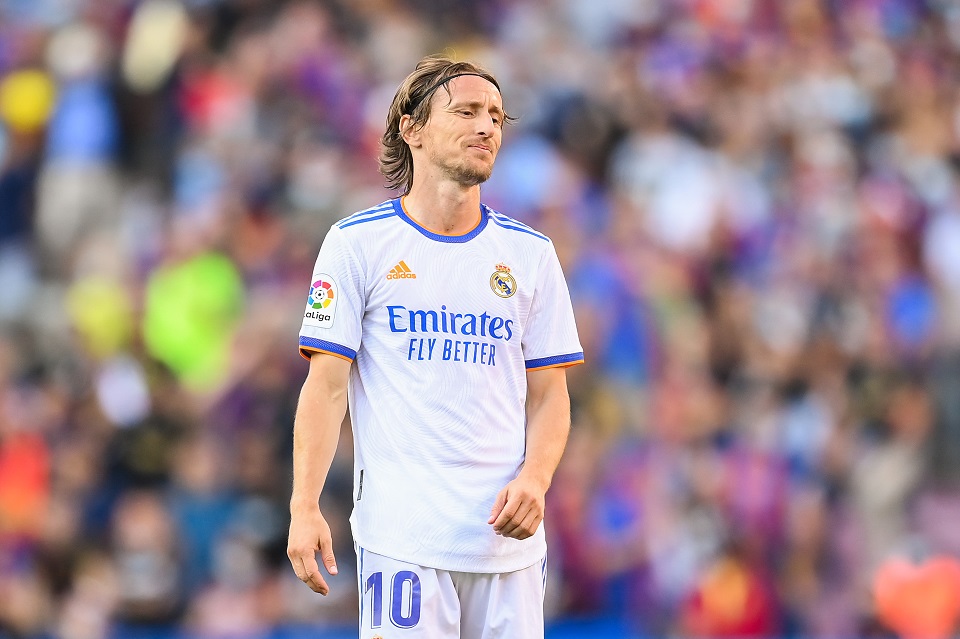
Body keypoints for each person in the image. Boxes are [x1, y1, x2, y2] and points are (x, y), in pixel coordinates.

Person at [286, 55, 583, 638]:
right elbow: (326, 388)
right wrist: (304, 504)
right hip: (403, 542)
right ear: (412, 128)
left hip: (507, 550)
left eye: (495, 115)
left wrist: (535, 478)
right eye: (466, 111)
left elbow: (551, 394)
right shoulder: (357, 244)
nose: (486, 126)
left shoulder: (531, 255)